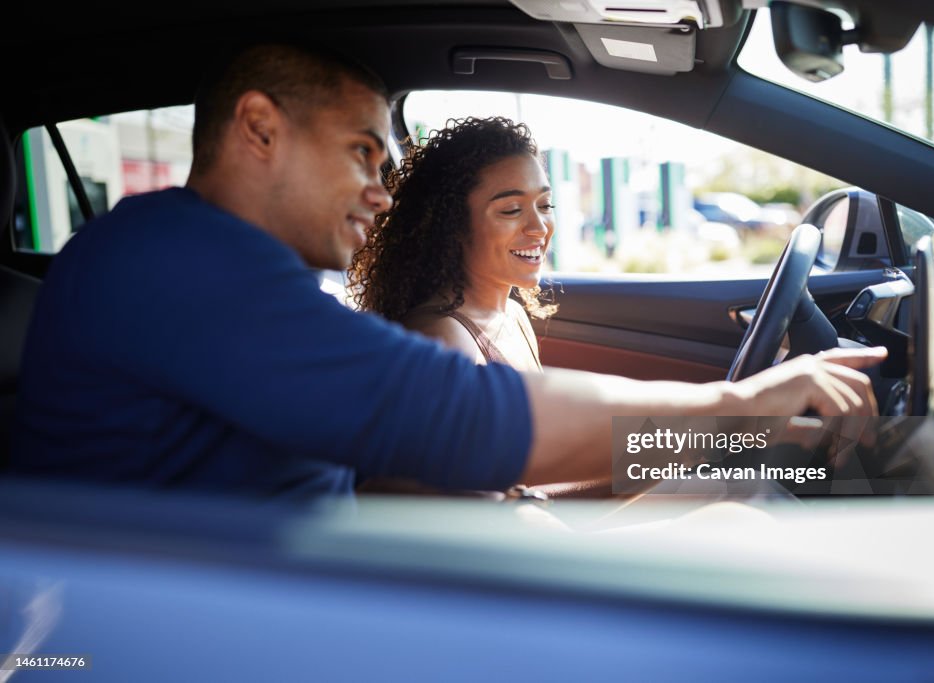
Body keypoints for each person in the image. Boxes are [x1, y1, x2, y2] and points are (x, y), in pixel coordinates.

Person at [10, 43, 886, 499]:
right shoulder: (174, 263)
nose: (379, 194)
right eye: (361, 154)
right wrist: (734, 414)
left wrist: (729, 441)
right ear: (259, 127)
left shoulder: (239, 276)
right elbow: (460, 421)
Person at [349, 117, 555, 373]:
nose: (540, 227)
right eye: (512, 210)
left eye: (545, 205)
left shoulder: (512, 314)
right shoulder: (443, 337)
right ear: (453, 225)